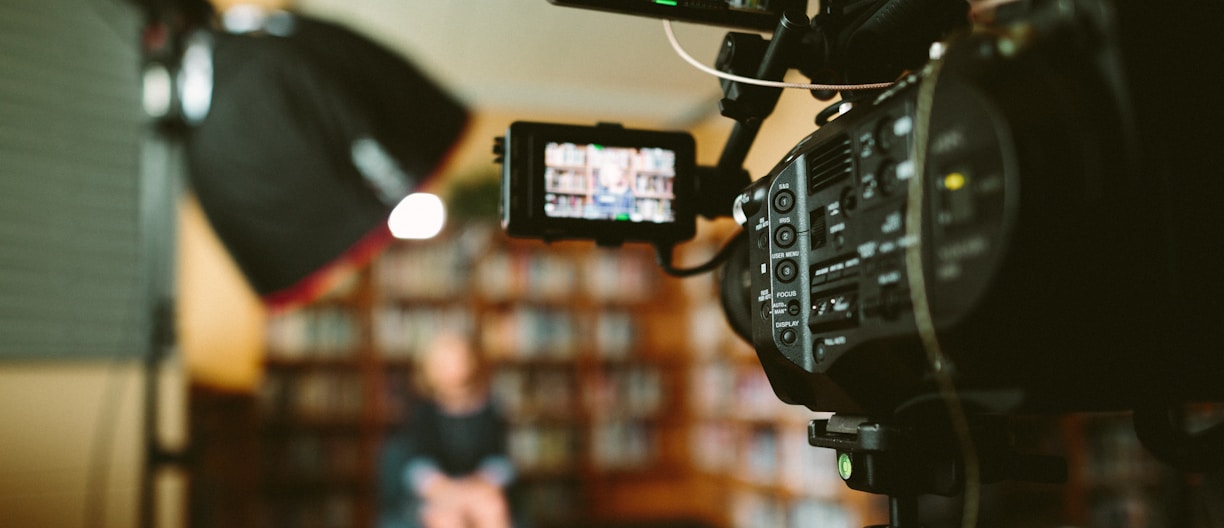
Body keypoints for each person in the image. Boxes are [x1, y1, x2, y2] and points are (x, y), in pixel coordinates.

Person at [380, 331, 516, 528]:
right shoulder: (422, 413)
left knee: (492, 510)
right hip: (438, 494)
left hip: (480, 491)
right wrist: (447, 491)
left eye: (457, 360)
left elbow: (500, 461)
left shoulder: (490, 410)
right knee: (447, 519)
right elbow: (417, 466)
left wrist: (477, 486)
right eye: (443, 363)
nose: (452, 368)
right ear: (430, 370)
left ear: (470, 362)